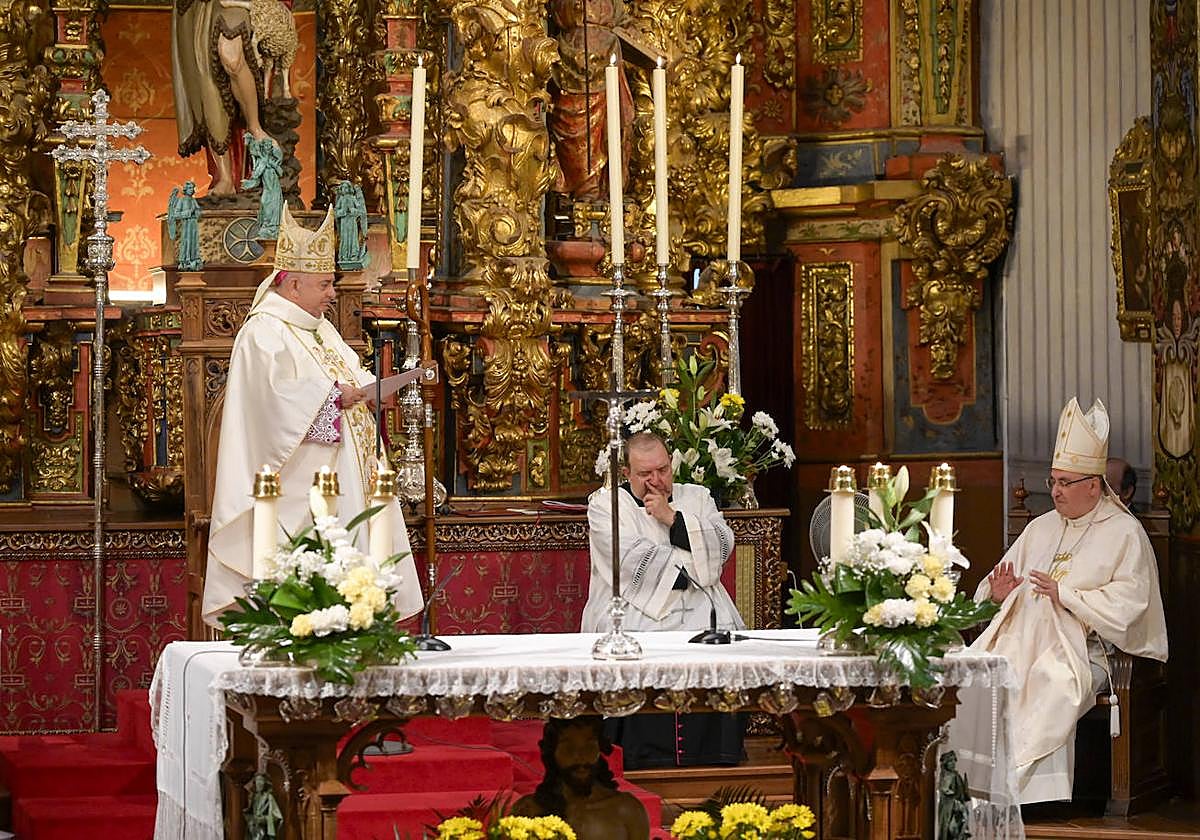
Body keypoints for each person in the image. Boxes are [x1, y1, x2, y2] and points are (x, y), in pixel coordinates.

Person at [202, 203, 424, 625]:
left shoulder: (320, 326)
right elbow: (269, 408)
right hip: (296, 486)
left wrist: (369, 388)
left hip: (347, 479)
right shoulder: (262, 331)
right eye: (324, 284)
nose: (332, 293)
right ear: (292, 284)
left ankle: (357, 627)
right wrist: (330, 399)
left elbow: (350, 373)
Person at [950, 398, 1168, 805]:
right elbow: (993, 585)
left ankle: (1028, 794)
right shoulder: (1040, 527)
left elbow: (1130, 603)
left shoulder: (1125, 533)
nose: (1054, 491)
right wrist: (996, 596)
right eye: (1052, 481)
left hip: (1087, 651)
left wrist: (1066, 596)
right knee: (980, 675)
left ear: (1092, 485)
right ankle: (974, 784)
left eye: (1065, 482)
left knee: (1053, 680)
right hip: (1022, 639)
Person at [583, 431, 745, 768]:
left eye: (663, 470)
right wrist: (691, 559)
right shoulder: (607, 504)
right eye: (645, 474)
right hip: (635, 608)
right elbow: (625, 560)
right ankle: (642, 757)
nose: (657, 481)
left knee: (723, 641)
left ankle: (715, 753)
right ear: (626, 473)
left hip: (702, 605)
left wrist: (671, 517)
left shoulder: (698, 497)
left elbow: (722, 545)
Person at [511, 717, 649, 840]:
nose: (580, 756)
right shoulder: (529, 809)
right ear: (552, 752)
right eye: (569, 748)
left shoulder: (626, 809)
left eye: (589, 746)